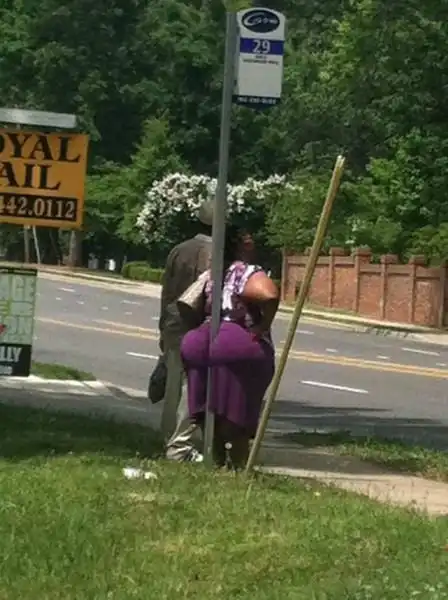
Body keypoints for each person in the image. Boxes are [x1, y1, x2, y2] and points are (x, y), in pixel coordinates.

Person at [180, 226, 279, 468]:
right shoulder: (246, 271)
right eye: (250, 240)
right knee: (237, 411)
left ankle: (216, 462)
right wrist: (263, 325)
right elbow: (269, 295)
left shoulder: (214, 272)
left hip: (199, 341)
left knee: (210, 411)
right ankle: (237, 467)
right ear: (243, 245)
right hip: (235, 342)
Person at [158, 200, 214, 462]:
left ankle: (168, 437)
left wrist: (162, 328)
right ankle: (181, 446)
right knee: (192, 387)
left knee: (174, 387)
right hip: (198, 327)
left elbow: (166, 292)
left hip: (174, 325)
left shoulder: (178, 250)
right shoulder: (214, 252)